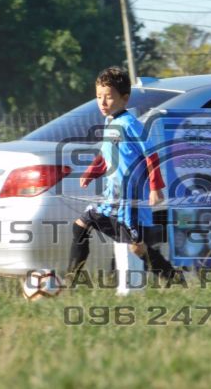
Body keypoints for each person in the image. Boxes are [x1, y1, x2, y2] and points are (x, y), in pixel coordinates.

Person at [68, 67, 176, 282]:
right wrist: (91, 172)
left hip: (129, 201)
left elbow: (151, 155)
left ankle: (173, 278)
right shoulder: (110, 122)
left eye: (108, 97)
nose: (102, 102)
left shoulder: (130, 124)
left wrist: (155, 188)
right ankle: (69, 281)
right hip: (111, 197)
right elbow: (108, 154)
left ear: (125, 98)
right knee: (80, 226)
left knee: (137, 247)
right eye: (99, 96)